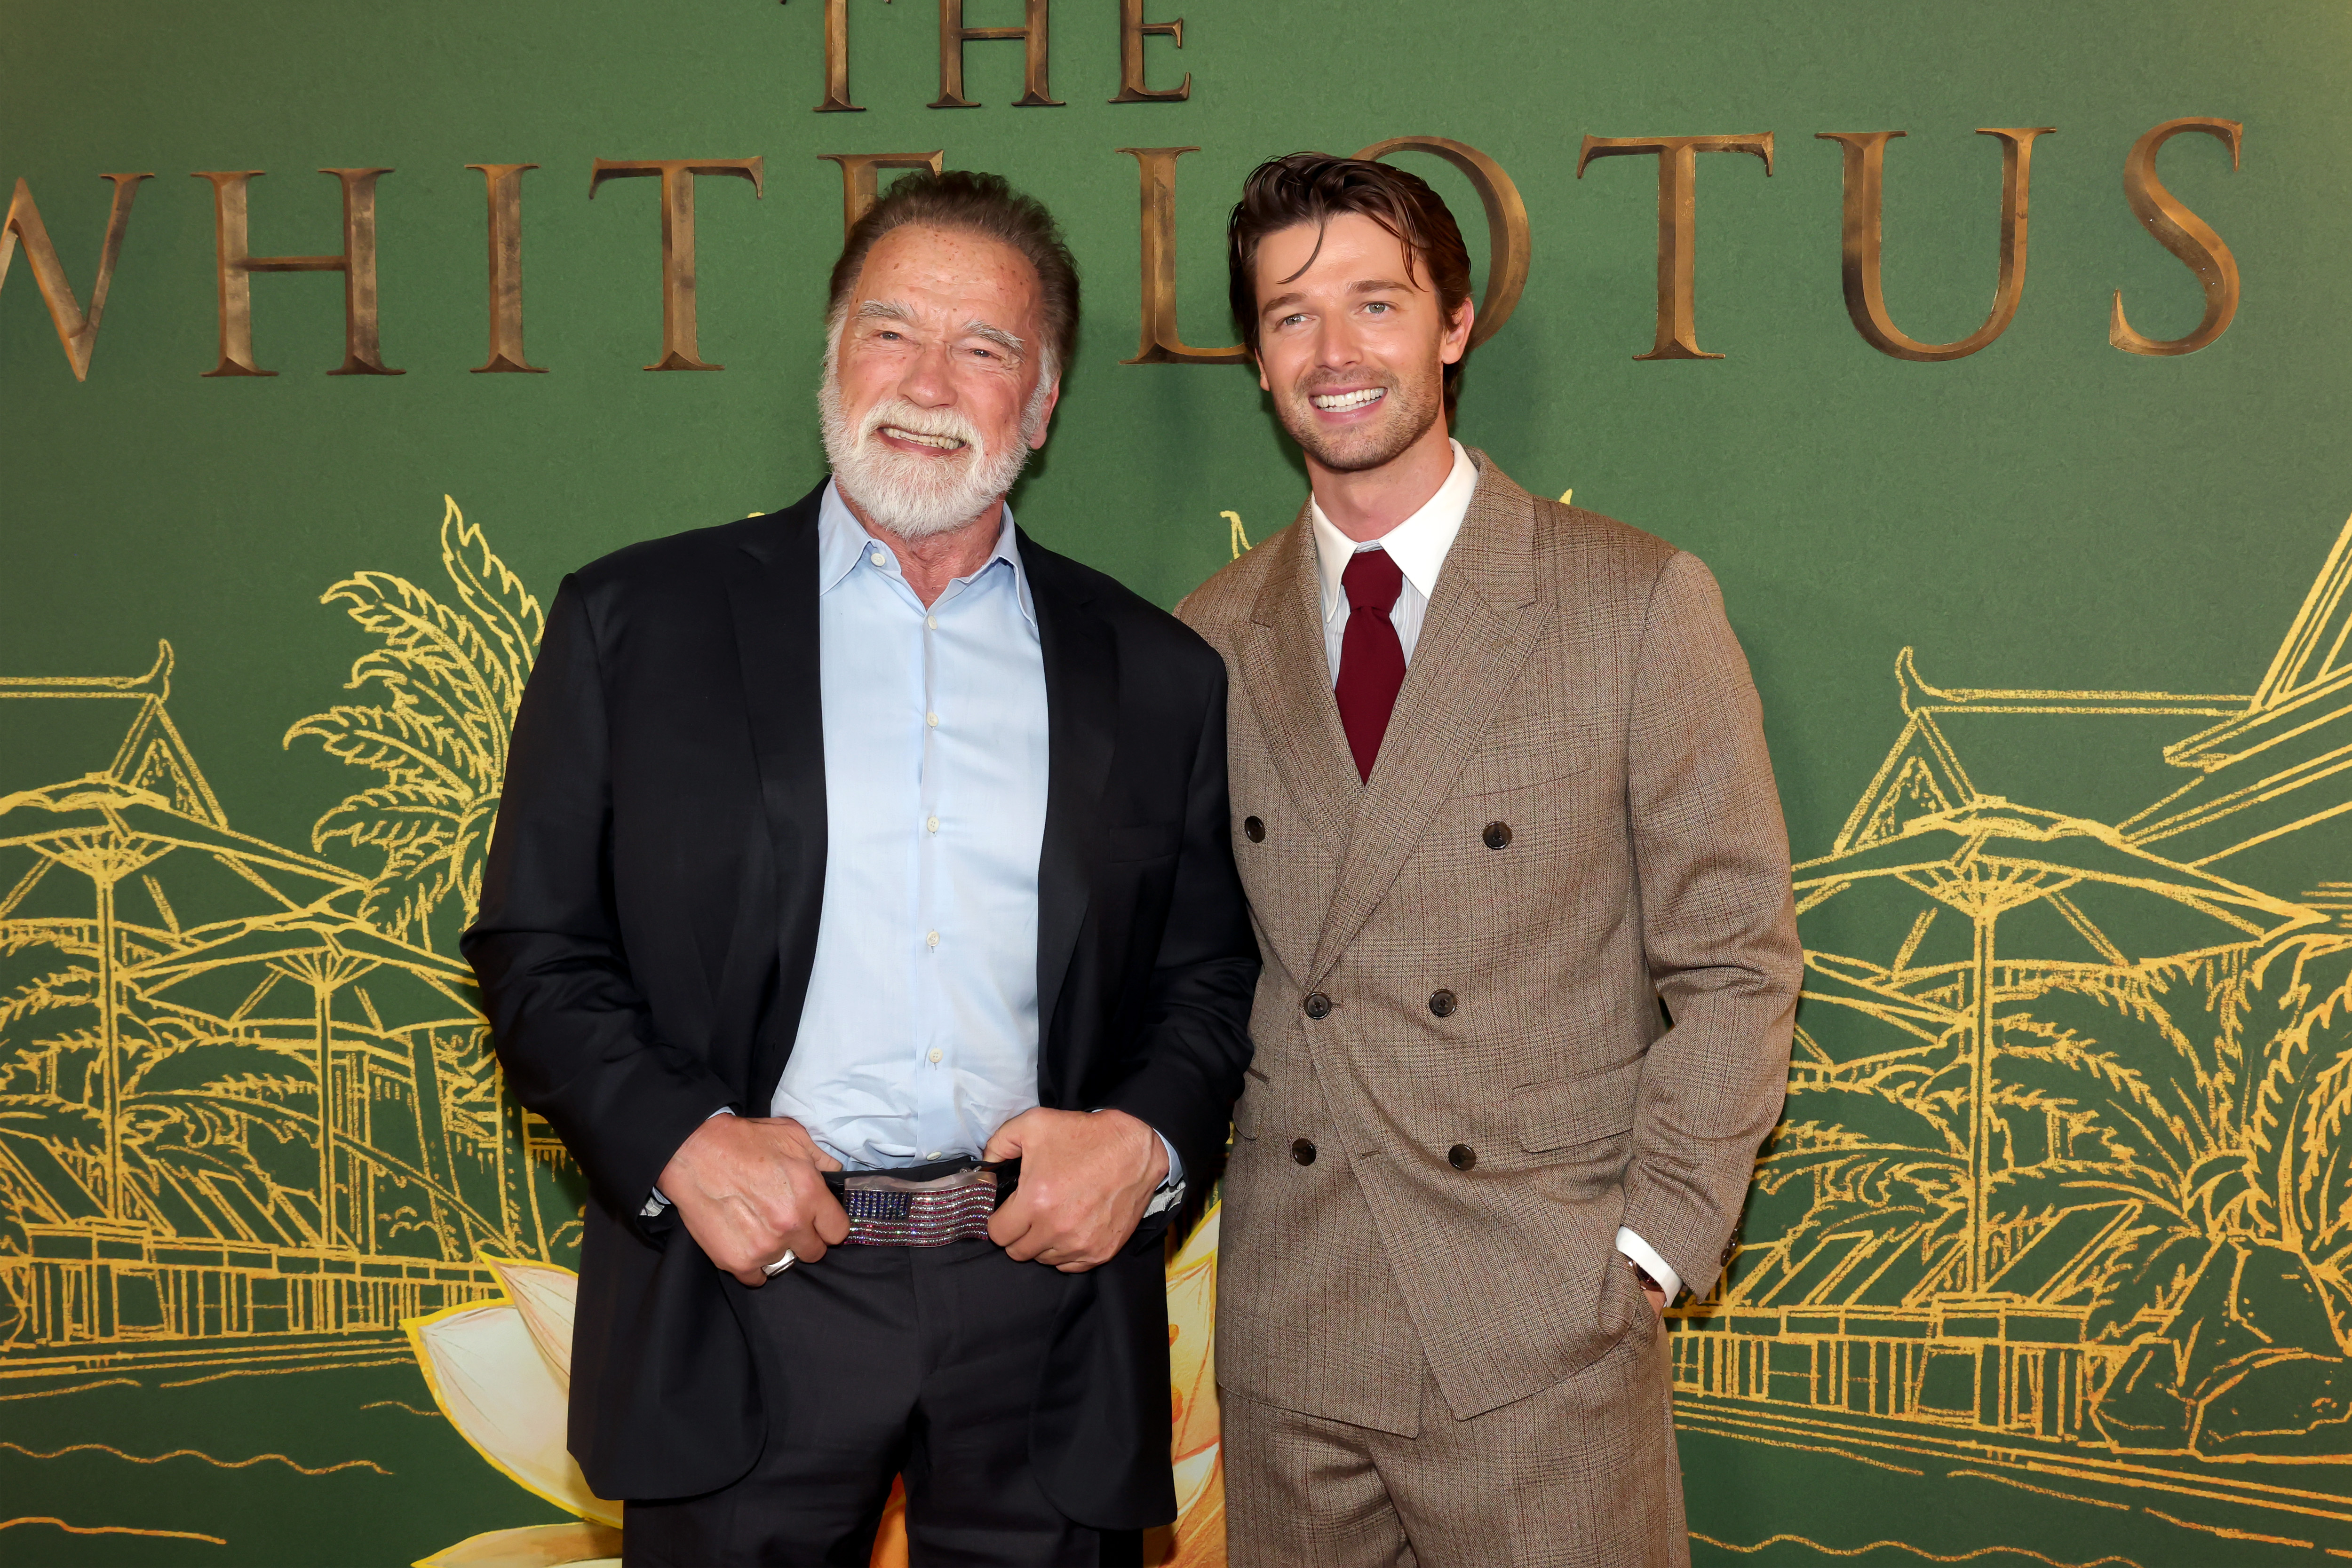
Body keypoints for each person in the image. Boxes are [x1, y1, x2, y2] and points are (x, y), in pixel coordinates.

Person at [465, 169, 1258, 1568]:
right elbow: (538, 944)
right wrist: (679, 1142)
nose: (928, 382)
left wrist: (1142, 1142)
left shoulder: (1159, 672)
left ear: (1046, 401)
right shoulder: (632, 623)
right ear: (834, 359)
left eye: (986, 347)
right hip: (747, 1290)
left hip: (1050, 1307)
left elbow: (1206, 980)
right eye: (892, 331)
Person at [1175, 152, 1801, 1568]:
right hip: (1294, 1332)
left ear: (1454, 324)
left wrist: (1651, 1246)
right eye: (1290, 315)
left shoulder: (1634, 600)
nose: (1335, 353)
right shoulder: (1207, 638)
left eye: (1374, 304)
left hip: (1538, 1328)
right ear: (1258, 358)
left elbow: (1735, 953)